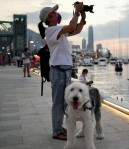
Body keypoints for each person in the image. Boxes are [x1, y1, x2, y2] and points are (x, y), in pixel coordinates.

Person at [39, 3, 86, 140]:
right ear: (49, 17)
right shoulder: (51, 31)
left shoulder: (59, 31)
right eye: (53, 13)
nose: (56, 14)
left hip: (65, 70)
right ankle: (57, 131)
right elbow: (72, 26)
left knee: (65, 102)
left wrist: (82, 17)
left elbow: (76, 30)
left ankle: (59, 127)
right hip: (59, 71)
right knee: (58, 102)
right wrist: (76, 12)